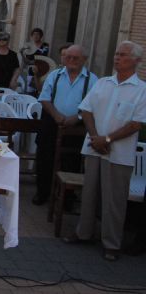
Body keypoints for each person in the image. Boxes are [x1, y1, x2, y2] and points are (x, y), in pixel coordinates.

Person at [64, 41, 146, 262]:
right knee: (89, 193)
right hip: (94, 147)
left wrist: (107, 139)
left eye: (123, 55)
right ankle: (84, 232)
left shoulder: (141, 90)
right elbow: (86, 110)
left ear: (136, 61)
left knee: (114, 199)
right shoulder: (103, 83)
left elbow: (136, 124)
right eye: (117, 53)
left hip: (119, 153)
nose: (117, 58)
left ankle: (111, 243)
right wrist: (96, 138)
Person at [33, 45, 97, 205]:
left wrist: (77, 117)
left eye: (76, 58)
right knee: (45, 157)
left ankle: (67, 198)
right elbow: (44, 98)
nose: (71, 61)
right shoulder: (54, 76)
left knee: (71, 160)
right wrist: (57, 116)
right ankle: (43, 192)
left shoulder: (93, 80)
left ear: (84, 60)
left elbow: (95, 105)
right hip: (52, 122)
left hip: (76, 126)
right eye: (68, 57)